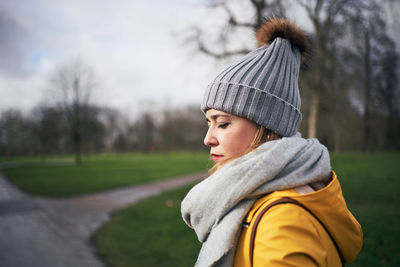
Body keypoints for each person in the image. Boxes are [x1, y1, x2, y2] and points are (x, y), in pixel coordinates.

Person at [181, 17, 363, 267]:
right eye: (208, 123)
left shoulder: (284, 223)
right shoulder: (253, 199)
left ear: (268, 128)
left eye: (222, 123)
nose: (208, 139)